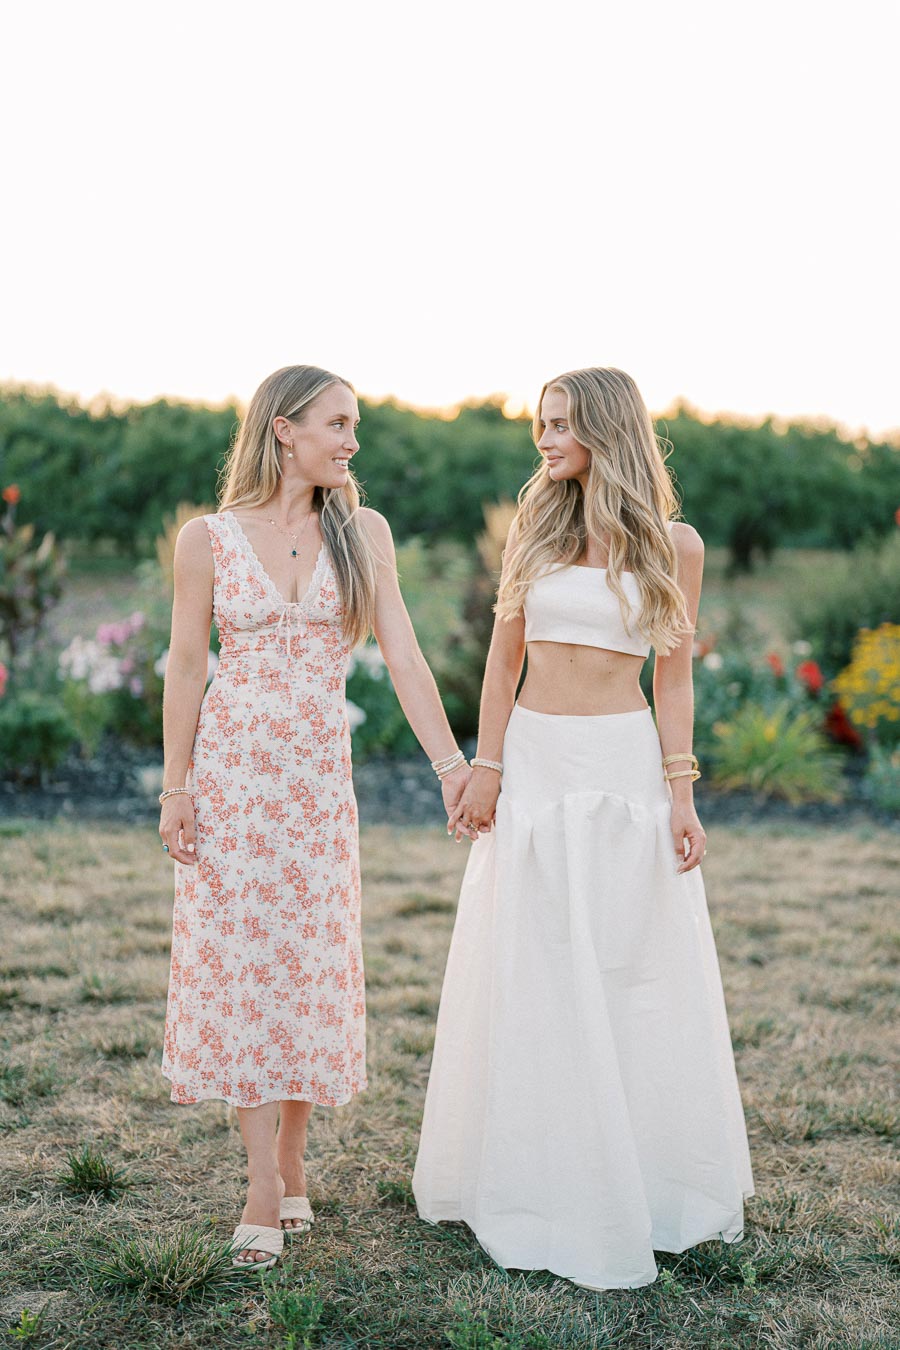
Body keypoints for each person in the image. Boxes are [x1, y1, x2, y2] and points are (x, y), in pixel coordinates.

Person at [413, 367, 754, 1290]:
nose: (543, 439)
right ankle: (531, 1175)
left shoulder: (673, 546)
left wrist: (681, 792)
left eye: (559, 423)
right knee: (531, 962)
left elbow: (671, 680)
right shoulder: (536, 528)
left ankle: (636, 1175)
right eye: (539, 423)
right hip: (532, 764)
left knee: (624, 963)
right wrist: (485, 767)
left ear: (605, 430)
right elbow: (499, 666)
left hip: (620, 767)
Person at [159, 365, 473, 1271]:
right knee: (246, 968)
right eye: (338, 423)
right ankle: (263, 1181)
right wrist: (177, 787)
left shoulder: (361, 531)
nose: (351, 440)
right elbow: (186, 666)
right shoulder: (206, 539)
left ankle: (294, 1162)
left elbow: (407, 656)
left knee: (303, 967)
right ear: (283, 429)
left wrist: (453, 767)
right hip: (233, 784)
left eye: (356, 425)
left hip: (316, 791)